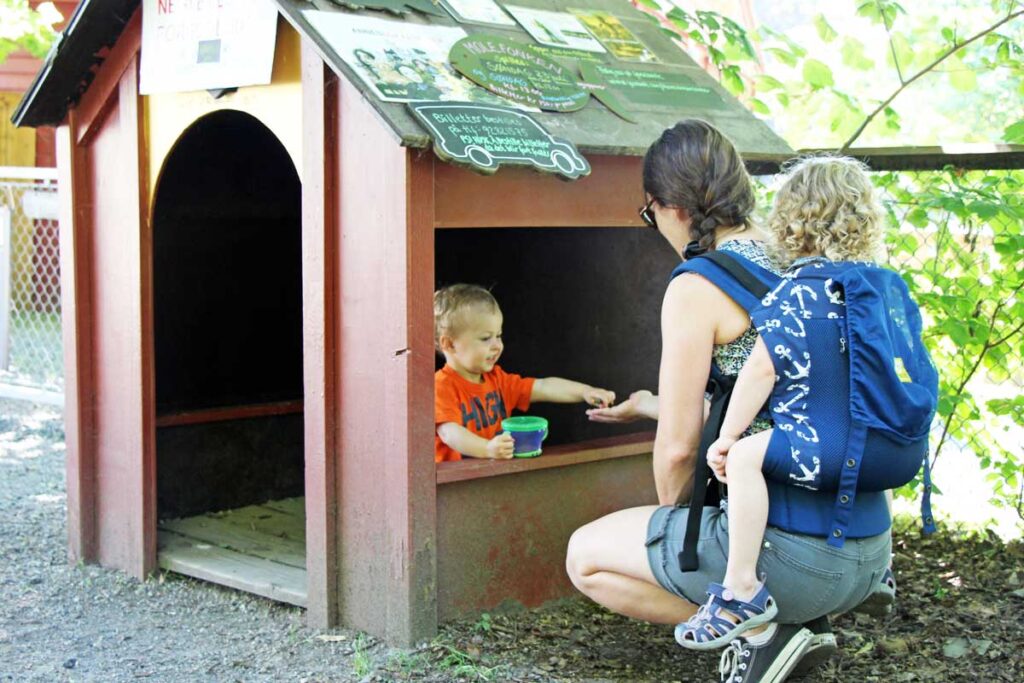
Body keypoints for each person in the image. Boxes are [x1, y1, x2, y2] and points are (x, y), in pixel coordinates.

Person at [565, 120, 893, 683]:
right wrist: (654, 403)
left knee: (586, 557)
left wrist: (677, 525)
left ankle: (768, 627)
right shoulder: (803, 252)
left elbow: (677, 451)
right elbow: (793, 385)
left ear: (670, 206)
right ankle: (788, 620)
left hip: (797, 557)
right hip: (870, 546)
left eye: (651, 216)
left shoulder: (697, 285)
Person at [675, 156, 923, 651]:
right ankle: (881, 572)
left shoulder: (798, 292)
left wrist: (725, 439)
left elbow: (761, 370)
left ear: (790, 220)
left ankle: (741, 589)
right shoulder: (883, 287)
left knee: (746, 456)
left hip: (829, 448)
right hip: (898, 448)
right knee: (862, 438)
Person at [434, 284, 615, 462]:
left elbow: (543, 386)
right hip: (455, 486)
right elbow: (449, 433)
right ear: (449, 344)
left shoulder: (498, 380)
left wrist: (585, 391)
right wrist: (487, 449)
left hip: (490, 478)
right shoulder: (441, 386)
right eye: (485, 338)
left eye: (498, 335)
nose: (497, 345)